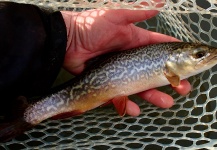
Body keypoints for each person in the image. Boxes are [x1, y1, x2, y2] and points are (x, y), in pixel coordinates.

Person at [0, 2, 191, 121]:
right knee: (36, 111)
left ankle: (27, 112)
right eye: (199, 55)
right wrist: (68, 34)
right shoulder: (172, 74)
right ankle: (27, 114)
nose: (206, 58)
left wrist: (69, 34)